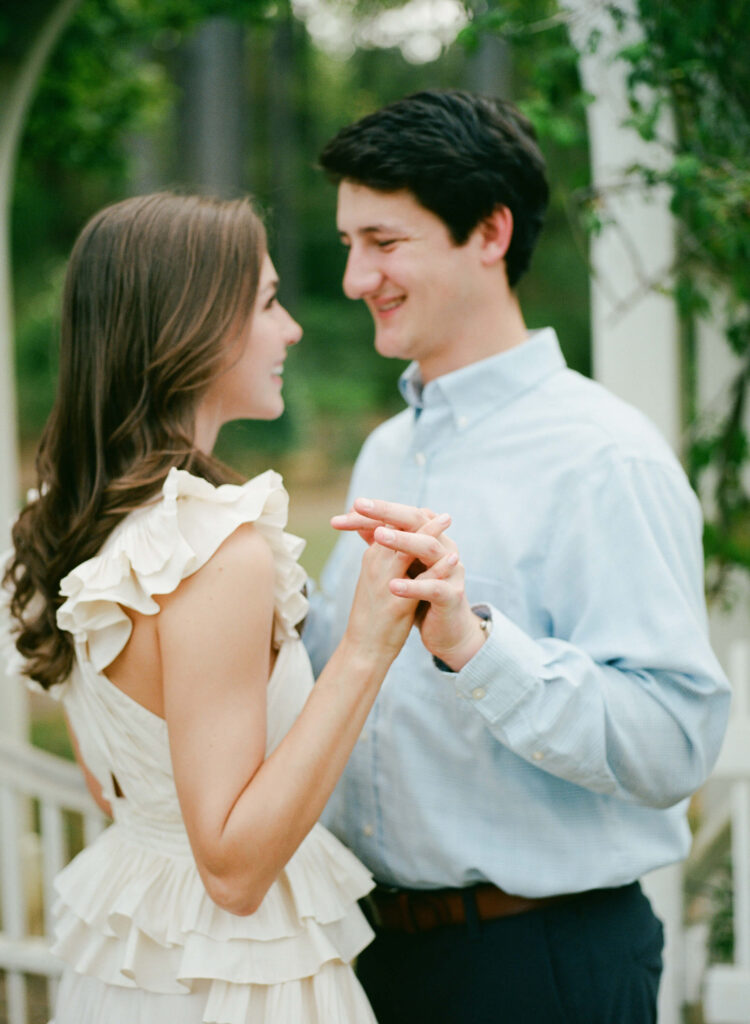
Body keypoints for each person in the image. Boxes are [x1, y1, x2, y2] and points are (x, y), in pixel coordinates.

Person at [303, 89, 732, 1023]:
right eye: (348, 245)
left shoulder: (603, 458)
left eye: (384, 242)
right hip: (369, 960)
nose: (354, 277)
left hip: (539, 969)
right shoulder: (383, 452)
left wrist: (476, 645)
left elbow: (675, 743)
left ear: (489, 232)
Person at [0, 191, 457, 1024]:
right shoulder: (215, 551)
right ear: (194, 325)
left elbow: (121, 792)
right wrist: (365, 646)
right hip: (233, 984)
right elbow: (235, 871)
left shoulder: (69, 526)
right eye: (269, 303)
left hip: (135, 963)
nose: (292, 330)